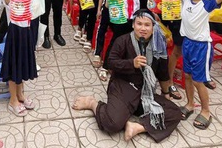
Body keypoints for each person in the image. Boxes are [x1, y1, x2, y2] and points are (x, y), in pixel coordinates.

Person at [72, 10, 181, 143]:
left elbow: (163, 74)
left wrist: (165, 95)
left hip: (145, 92)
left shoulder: (158, 45)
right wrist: (132, 63)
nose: (142, 28)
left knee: (175, 112)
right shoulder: (123, 40)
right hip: (123, 87)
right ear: (133, 25)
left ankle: (137, 127)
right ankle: (93, 103)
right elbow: (110, 62)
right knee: (112, 123)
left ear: (153, 27)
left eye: (147, 25)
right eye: (139, 24)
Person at [179, 0, 222, 130]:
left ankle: (205, 111)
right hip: (187, 42)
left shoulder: (206, 4)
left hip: (201, 46)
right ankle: (190, 104)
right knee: (187, 76)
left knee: (198, 80)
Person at [0, 0, 41, 117]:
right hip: (15, 35)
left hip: (26, 34)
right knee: (13, 67)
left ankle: (21, 94)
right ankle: (13, 100)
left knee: (22, 65)